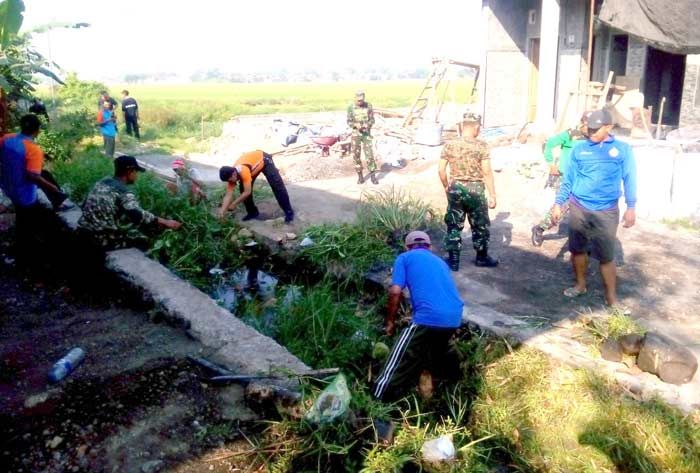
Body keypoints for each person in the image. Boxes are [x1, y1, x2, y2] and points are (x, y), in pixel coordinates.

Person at [550, 109, 637, 314]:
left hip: (606, 210)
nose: (591, 132)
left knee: (606, 256)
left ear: (609, 127)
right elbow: (568, 179)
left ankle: (611, 299)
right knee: (577, 249)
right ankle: (580, 285)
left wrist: (631, 207)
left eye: (597, 129)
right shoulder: (578, 149)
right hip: (579, 207)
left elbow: (630, 178)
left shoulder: (621, 149)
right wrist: (558, 203)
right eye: (589, 128)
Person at [373, 231, 463, 401]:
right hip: (454, 317)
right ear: (430, 247)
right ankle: (451, 392)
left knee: (399, 357)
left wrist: (390, 322)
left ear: (407, 247)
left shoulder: (404, 258)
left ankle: (376, 399)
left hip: (428, 317)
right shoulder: (441, 263)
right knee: (432, 355)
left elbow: (395, 292)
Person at [0, 114, 71, 264]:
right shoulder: (33, 149)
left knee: (44, 174)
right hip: (24, 194)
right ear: (38, 130)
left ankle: (21, 251)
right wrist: (55, 189)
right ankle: (27, 257)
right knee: (27, 225)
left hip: (7, 186)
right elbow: (34, 177)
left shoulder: (6, 138)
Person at [78, 155, 182, 251]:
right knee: (142, 240)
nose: (136, 175)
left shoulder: (102, 182)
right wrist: (166, 222)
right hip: (99, 240)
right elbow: (136, 215)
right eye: (136, 172)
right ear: (129, 172)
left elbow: (84, 205)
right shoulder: (123, 192)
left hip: (82, 232)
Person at [439, 113, 499, 271]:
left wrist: (447, 186)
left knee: (454, 224)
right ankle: (482, 257)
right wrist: (492, 195)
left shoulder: (449, 145)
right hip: (475, 190)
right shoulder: (482, 146)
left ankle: (453, 260)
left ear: (461, 126)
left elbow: (441, 170)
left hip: (455, 188)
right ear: (476, 127)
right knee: (480, 225)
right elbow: (486, 172)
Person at [531, 112, 590, 247]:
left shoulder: (594, 138)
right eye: (587, 124)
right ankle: (539, 229)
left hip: (584, 177)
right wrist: (551, 164)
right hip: (566, 176)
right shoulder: (571, 134)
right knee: (562, 207)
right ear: (582, 122)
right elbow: (549, 144)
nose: (590, 128)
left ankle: (585, 238)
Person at [218, 150, 294, 223]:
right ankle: (252, 213)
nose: (230, 182)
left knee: (277, 186)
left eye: (230, 180)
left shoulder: (243, 171)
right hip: (252, 167)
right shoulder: (230, 176)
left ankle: (289, 212)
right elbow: (228, 195)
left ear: (234, 174)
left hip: (264, 160)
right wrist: (222, 211)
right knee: (243, 190)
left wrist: (234, 203)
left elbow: (247, 192)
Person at [347, 90, 378, 184]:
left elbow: (372, 120)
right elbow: (349, 121)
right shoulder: (350, 108)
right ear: (355, 98)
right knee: (356, 156)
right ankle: (360, 177)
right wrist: (356, 125)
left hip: (366, 135)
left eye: (361, 100)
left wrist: (367, 125)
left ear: (364, 98)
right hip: (356, 135)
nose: (360, 102)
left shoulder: (368, 106)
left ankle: (373, 176)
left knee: (370, 156)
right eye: (358, 100)